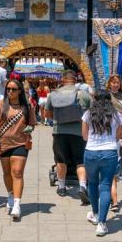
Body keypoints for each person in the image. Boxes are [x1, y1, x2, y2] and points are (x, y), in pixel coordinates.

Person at [41, 68, 92, 203]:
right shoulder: (83, 94)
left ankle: (62, 187)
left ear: (62, 80)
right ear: (75, 80)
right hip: (79, 133)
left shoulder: (53, 94)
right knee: (80, 160)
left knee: (61, 160)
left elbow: (46, 114)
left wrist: (58, 117)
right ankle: (82, 186)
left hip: (59, 132)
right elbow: (92, 112)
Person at [0, 76, 36, 221]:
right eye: (8, 89)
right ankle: (10, 194)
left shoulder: (26, 107)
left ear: (20, 91)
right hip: (3, 143)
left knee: (17, 172)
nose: (10, 91)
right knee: (7, 173)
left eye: (13, 89)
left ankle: (17, 204)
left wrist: (28, 132)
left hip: (20, 143)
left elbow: (32, 124)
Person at [82, 93, 122, 237]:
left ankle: (95, 214)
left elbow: (84, 136)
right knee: (106, 186)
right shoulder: (116, 115)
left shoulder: (88, 114)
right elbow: (119, 135)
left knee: (93, 184)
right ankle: (102, 224)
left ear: (95, 100)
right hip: (109, 152)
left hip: (91, 152)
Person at [105, 74, 122, 204]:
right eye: (113, 82)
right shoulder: (106, 94)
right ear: (109, 83)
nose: (116, 84)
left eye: (117, 82)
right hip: (110, 124)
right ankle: (110, 171)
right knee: (111, 147)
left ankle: (118, 172)